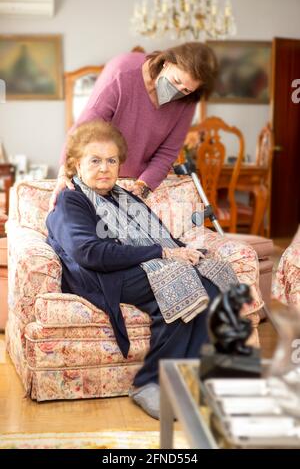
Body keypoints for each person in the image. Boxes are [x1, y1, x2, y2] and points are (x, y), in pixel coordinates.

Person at [46, 119, 238, 419]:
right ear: (75, 164)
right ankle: (149, 383)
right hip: (100, 276)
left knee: (212, 277)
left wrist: (183, 251)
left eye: (111, 160)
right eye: (94, 160)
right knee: (179, 281)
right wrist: (165, 253)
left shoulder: (125, 197)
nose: (105, 168)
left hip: (134, 264)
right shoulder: (72, 201)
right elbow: (89, 253)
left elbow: (159, 234)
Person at [49, 42, 218, 209]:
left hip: (136, 182)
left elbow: (167, 152)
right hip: (97, 174)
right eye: (176, 80)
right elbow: (84, 128)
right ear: (166, 62)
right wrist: (65, 171)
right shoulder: (122, 72)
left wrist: (143, 186)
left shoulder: (187, 101)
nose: (179, 90)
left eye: (187, 90)